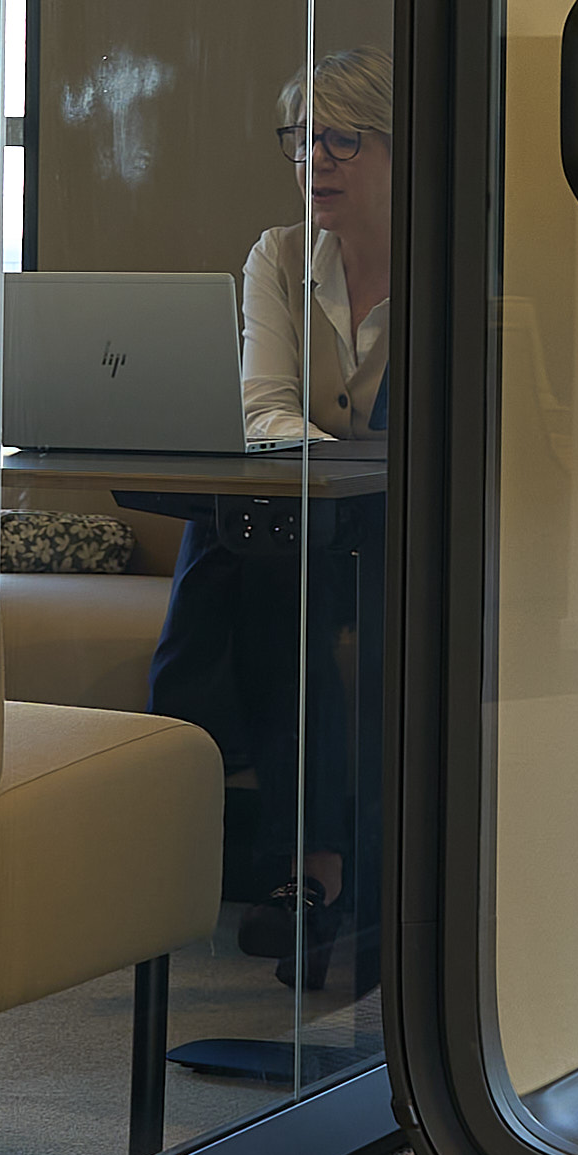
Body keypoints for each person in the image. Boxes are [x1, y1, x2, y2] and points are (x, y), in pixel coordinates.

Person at [139, 51, 391, 995]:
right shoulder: (280, 256)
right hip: (306, 515)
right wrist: (319, 450)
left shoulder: (450, 255)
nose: (315, 161)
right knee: (243, 552)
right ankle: (282, 860)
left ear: (399, 149)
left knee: (256, 566)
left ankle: (301, 866)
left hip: (402, 525)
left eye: (341, 140)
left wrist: (312, 447)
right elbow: (263, 408)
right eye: (301, 141)